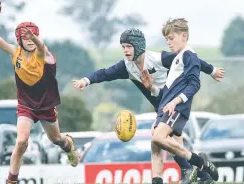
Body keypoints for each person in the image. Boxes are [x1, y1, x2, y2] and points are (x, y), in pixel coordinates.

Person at [72, 28, 224, 183]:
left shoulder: (158, 58)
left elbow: (191, 60)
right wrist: (86, 80)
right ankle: (202, 175)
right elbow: (104, 73)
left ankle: (193, 168)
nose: (125, 50)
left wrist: (211, 70)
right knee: (162, 141)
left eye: (128, 46)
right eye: (123, 46)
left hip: (173, 102)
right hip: (160, 105)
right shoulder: (127, 66)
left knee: (160, 138)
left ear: (138, 46)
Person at [0, 0, 79, 184]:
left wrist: (35, 38)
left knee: (56, 140)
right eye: (26, 38)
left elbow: (41, 46)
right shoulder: (15, 53)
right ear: (19, 40)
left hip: (46, 106)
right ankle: (11, 180)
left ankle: (69, 146)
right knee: (21, 141)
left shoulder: (42, 53)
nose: (29, 41)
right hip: (26, 105)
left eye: (32, 37)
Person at [150, 18, 219, 184]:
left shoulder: (189, 54)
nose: (168, 42)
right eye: (166, 39)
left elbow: (195, 83)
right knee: (155, 140)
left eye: (171, 38)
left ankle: (199, 163)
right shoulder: (178, 57)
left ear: (183, 35)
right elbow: (171, 87)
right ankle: (158, 180)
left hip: (177, 107)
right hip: (166, 107)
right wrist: (153, 88)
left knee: (159, 137)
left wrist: (176, 101)